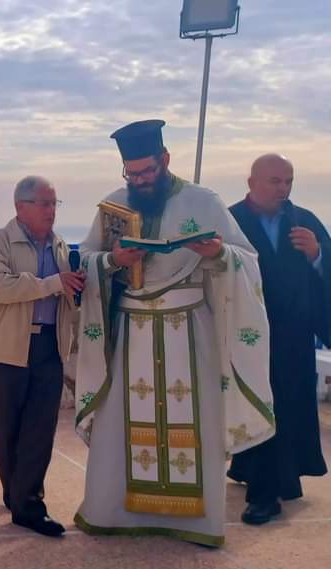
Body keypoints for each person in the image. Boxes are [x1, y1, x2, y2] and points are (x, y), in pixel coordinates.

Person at [73, 120, 274, 547]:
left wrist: (218, 253)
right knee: (120, 422)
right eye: (132, 174)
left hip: (189, 332)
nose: (139, 181)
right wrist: (113, 260)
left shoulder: (204, 202)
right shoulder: (114, 205)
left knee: (196, 418)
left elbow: (246, 259)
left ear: (164, 160)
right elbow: (86, 257)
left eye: (146, 171)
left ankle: (196, 522)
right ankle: (114, 513)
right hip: (131, 334)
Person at [0, 176, 82, 537]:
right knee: (7, 428)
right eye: (44, 203)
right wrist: (52, 283)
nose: (51, 211)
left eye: (54, 203)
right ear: (21, 207)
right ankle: (16, 493)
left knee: (40, 429)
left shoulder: (61, 246)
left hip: (49, 347)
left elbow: (69, 293)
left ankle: (30, 505)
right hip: (3, 351)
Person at [226, 154, 330, 524]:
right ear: (251, 182)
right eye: (275, 181)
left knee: (287, 406)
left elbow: (325, 270)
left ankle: (272, 479)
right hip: (247, 336)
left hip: (293, 336)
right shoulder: (230, 221)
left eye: (288, 181)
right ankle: (263, 494)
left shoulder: (304, 221)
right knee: (258, 404)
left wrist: (317, 254)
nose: (283, 189)